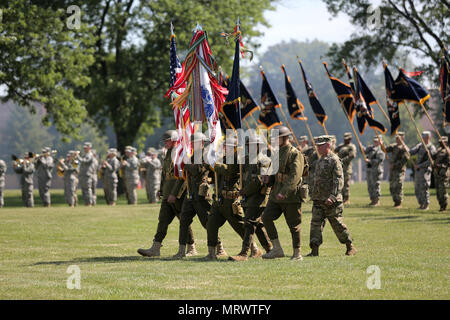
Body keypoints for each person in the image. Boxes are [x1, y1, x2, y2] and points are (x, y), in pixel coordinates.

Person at [137, 130, 195, 258]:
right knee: (162, 220)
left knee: (184, 221)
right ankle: (155, 248)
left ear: (174, 140)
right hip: (167, 192)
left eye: (167, 141)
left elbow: (182, 177)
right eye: (164, 141)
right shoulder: (168, 153)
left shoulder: (180, 153)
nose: (165, 143)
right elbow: (165, 174)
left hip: (178, 194)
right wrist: (161, 190)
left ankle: (191, 247)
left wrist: (174, 194)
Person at [172, 132, 226, 259]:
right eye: (191, 142)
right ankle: (181, 250)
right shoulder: (191, 156)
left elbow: (198, 170)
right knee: (183, 220)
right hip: (190, 194)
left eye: (194, 142)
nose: (191, 144)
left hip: (202, 196)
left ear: (201, 143)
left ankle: (219, 247)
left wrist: (186, 163)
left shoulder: (206, 155)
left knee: (208, 223)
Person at [205, 136, 259, 260]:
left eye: (229, 146)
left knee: (240, 226)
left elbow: (229, 171)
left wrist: (214, 165)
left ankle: (254, 248)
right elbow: (217, 175)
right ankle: (212, 253)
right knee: (211, 224)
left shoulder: (238, 159)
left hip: (231, 200)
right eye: (225, 146)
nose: (226, 148)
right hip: (219, 199)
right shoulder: (223, 159)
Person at [261, 126, 305, 261]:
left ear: (284, 138)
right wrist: (268, 179)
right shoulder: (276, 153)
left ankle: (297, 253)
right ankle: (277, 249)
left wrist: (285, 192)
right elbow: (274, 173)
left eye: (276, 137)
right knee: (266, 217)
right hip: (276, 196)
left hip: (291, 197)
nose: (273, 140)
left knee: (294, 225)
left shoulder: (295, 153)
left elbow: (295, 176)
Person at [307, 135, 356, 257]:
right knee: (315, 225)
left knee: (337, 225)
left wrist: (333, 196)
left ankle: (350, 246)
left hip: (331, 201)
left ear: (328, 145)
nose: (318, 148)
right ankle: (314, 250)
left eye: (320, 146)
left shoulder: (334, 160)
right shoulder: (319, 160)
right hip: (318, 199)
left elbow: (338, 180)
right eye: (317, 146)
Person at [229, 134, 273, 261]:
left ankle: (244, 253)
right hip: (248, 198)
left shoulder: (264, 161)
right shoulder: (246, 160)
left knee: (249, 223)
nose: (249, 147)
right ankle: (270, 249)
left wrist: (244, 191)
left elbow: (261, 181)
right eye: (248, 145)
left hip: (258, 198)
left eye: (252, 145)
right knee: (257, 225)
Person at [409, 131, 437, 210]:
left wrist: (419, 166)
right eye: (422, 137)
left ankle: (426, 204)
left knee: (424, 187)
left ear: (428, 137)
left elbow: (430, 161)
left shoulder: (432, 147)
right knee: (417, 188)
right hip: (418, 171)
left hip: (425, 170)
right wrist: (407, 149)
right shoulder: (420, 145)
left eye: (423, 137)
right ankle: (421, 203)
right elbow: (412, 152)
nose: (422, 139)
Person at [383, 132, 410, 208]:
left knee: (398, 185)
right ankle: (395, 202)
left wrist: (393, 165)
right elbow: (385, 149)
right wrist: (381, 144)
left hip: (399, 170)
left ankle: (399, 203)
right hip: (392, 171)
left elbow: (404, 160)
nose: (397, 140)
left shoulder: (405, 148)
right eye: (396, 138)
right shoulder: (394, 146)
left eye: (398, 138)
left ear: (403, 138)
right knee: (392, 187)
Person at [334, 132, 357, 204]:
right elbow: (334, 151)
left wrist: (341, 161)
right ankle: (341, 197)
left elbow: (351, 156)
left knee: (346, 184)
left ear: (350, 139)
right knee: (340, 183)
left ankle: (346, 198)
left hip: (347, 168)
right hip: (339, 168)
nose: (345, 140)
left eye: (347, 139)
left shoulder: (351, 146)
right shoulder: (341, 146)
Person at [364, 137, 385, 206]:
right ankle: (372, 200)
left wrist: (370, 161)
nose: (375, 142)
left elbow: (379, 160)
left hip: (376, 170)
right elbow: (365, 151)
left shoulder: (380, 150)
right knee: (370, 186)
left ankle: (377, 201)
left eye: (376, 141)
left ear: (379, 142)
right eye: (374, 141)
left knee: (376, 185)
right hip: (370, 170)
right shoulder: (371, 149)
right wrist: (360, 146)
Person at [432, 136, 449, 212]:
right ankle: (441, 205)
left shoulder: (448, 151)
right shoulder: (438, 150)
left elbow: (448, 163)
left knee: (443, 190)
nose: (440, 143)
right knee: (438, 191)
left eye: (441, 142)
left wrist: (441, 166)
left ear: (445, 142)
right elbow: (434, 158)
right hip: (437, 173)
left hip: (443, 173)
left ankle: (444, 206)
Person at [77, 142, 95, 206]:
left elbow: (85, 161)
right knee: (84, 189)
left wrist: (78, 157)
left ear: (89, 148)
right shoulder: (85, 155)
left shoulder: (90, 155)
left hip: (87, 174)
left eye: (86, 148)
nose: (84, 149)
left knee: (87, 189)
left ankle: (90, 202)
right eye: (84, 148)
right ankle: (86, 202)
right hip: (83, 174)